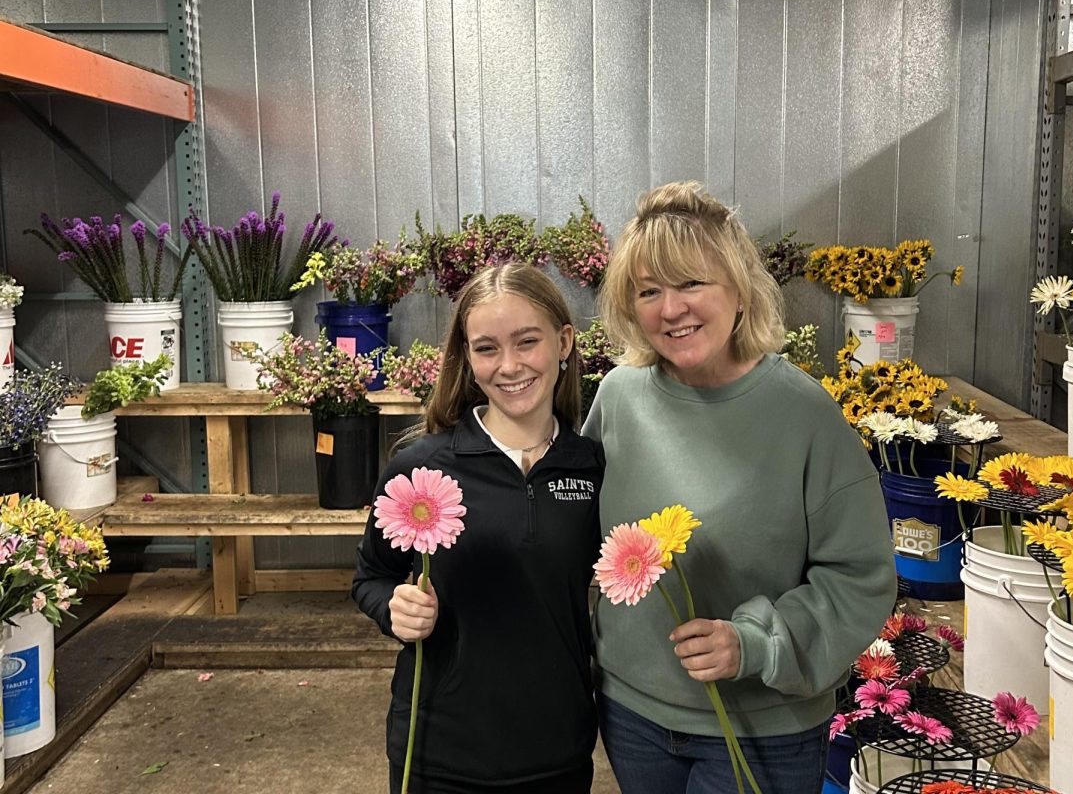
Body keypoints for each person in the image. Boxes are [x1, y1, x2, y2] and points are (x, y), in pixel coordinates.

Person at [584, 181, 895, 794]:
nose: (671, 309)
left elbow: (860, 577)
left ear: (740, 292)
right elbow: (575, 532)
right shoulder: (618, 397)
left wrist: (753, 643)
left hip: (761, 728)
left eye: (692, 283)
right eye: (649, 291)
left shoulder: (802, 414)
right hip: (632, 714)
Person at [352, 264, 603, 794]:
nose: (509, 365)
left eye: (527, 341)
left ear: (564, 342)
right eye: (487, 348)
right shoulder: (420, 470)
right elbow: (371, 576)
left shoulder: (592, 467)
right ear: (468, 358)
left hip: (556, 749)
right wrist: (394, 608)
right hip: (442, 753)